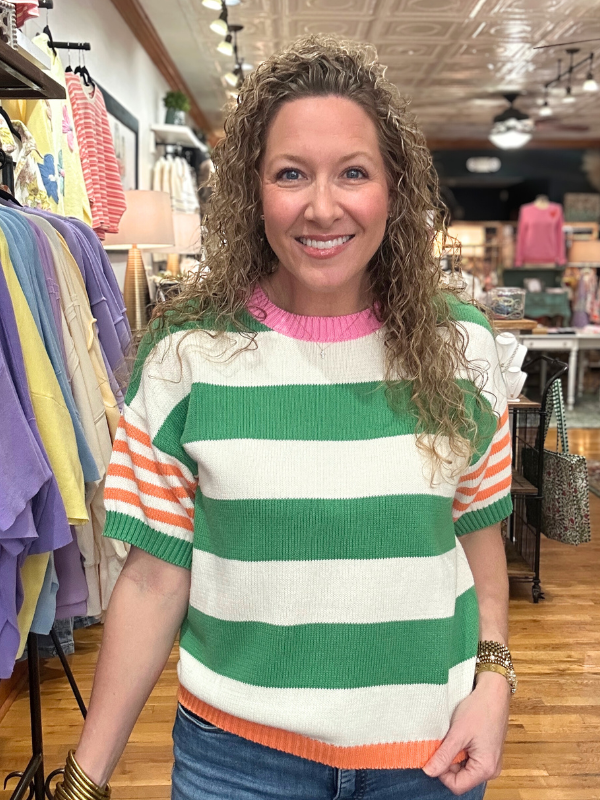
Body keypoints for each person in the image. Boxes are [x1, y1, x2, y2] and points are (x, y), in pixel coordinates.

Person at [56, 35, 515, 800]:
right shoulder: (188, 352)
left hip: (429, 755)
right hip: (237, 761)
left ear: (393, 190)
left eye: (354, 174)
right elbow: (151, 580)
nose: (323, 206)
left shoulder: (459, 343)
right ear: (253, 191)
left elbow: (477, 532)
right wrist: (84, 778)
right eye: (292, 174)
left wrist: (495, 678)